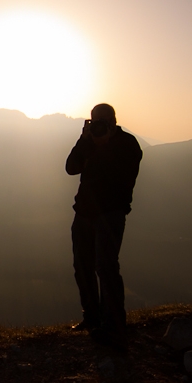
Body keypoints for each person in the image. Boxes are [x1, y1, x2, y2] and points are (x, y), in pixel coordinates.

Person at [65, 103, 142, 350]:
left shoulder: (127, 144)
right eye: (94, 120)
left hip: (110, 215)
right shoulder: (87, 142)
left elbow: (122, 177)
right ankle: (92, 318)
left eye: (103, 120)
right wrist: (86, 142)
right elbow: (70, 168)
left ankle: (114, 327)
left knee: (106, 267)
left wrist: (104, 144)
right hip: (84, 213)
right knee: (82, 266)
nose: (99, 123)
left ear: (113, 120)